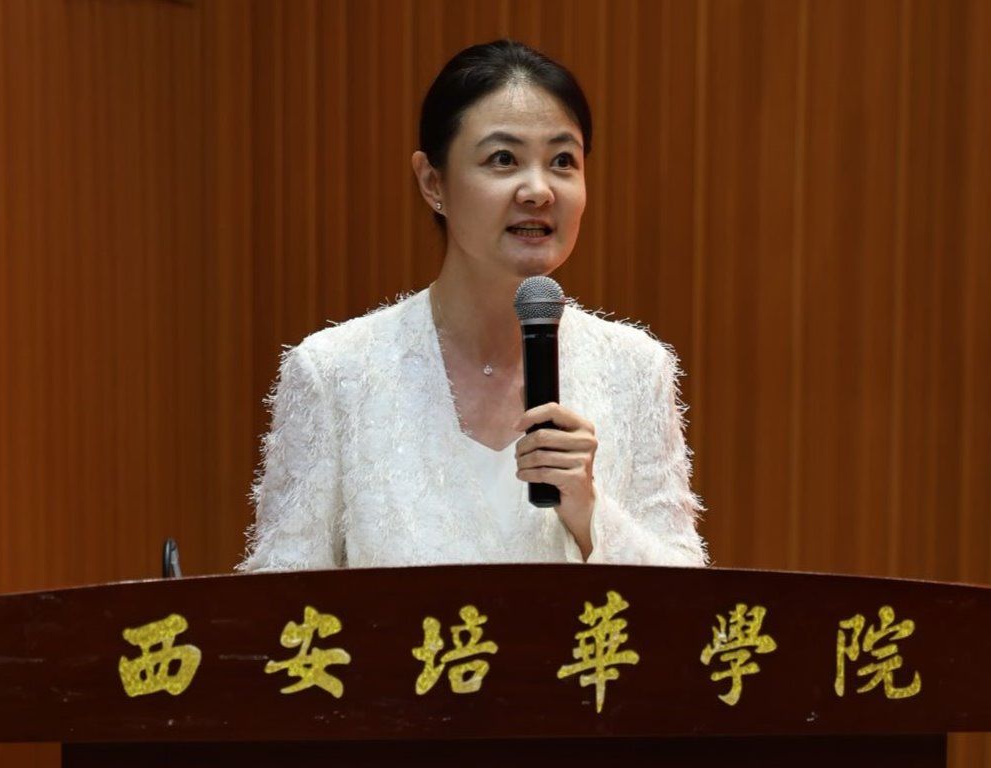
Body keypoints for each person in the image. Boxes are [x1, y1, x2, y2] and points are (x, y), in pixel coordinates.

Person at [239, 39, 706, 572]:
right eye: (503, 159)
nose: (538, 190)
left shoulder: (635, 369)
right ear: (432, 181)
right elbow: (282, 598)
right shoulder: (335, 372)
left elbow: (687, 602)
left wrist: (590, 512)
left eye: (562, 161)